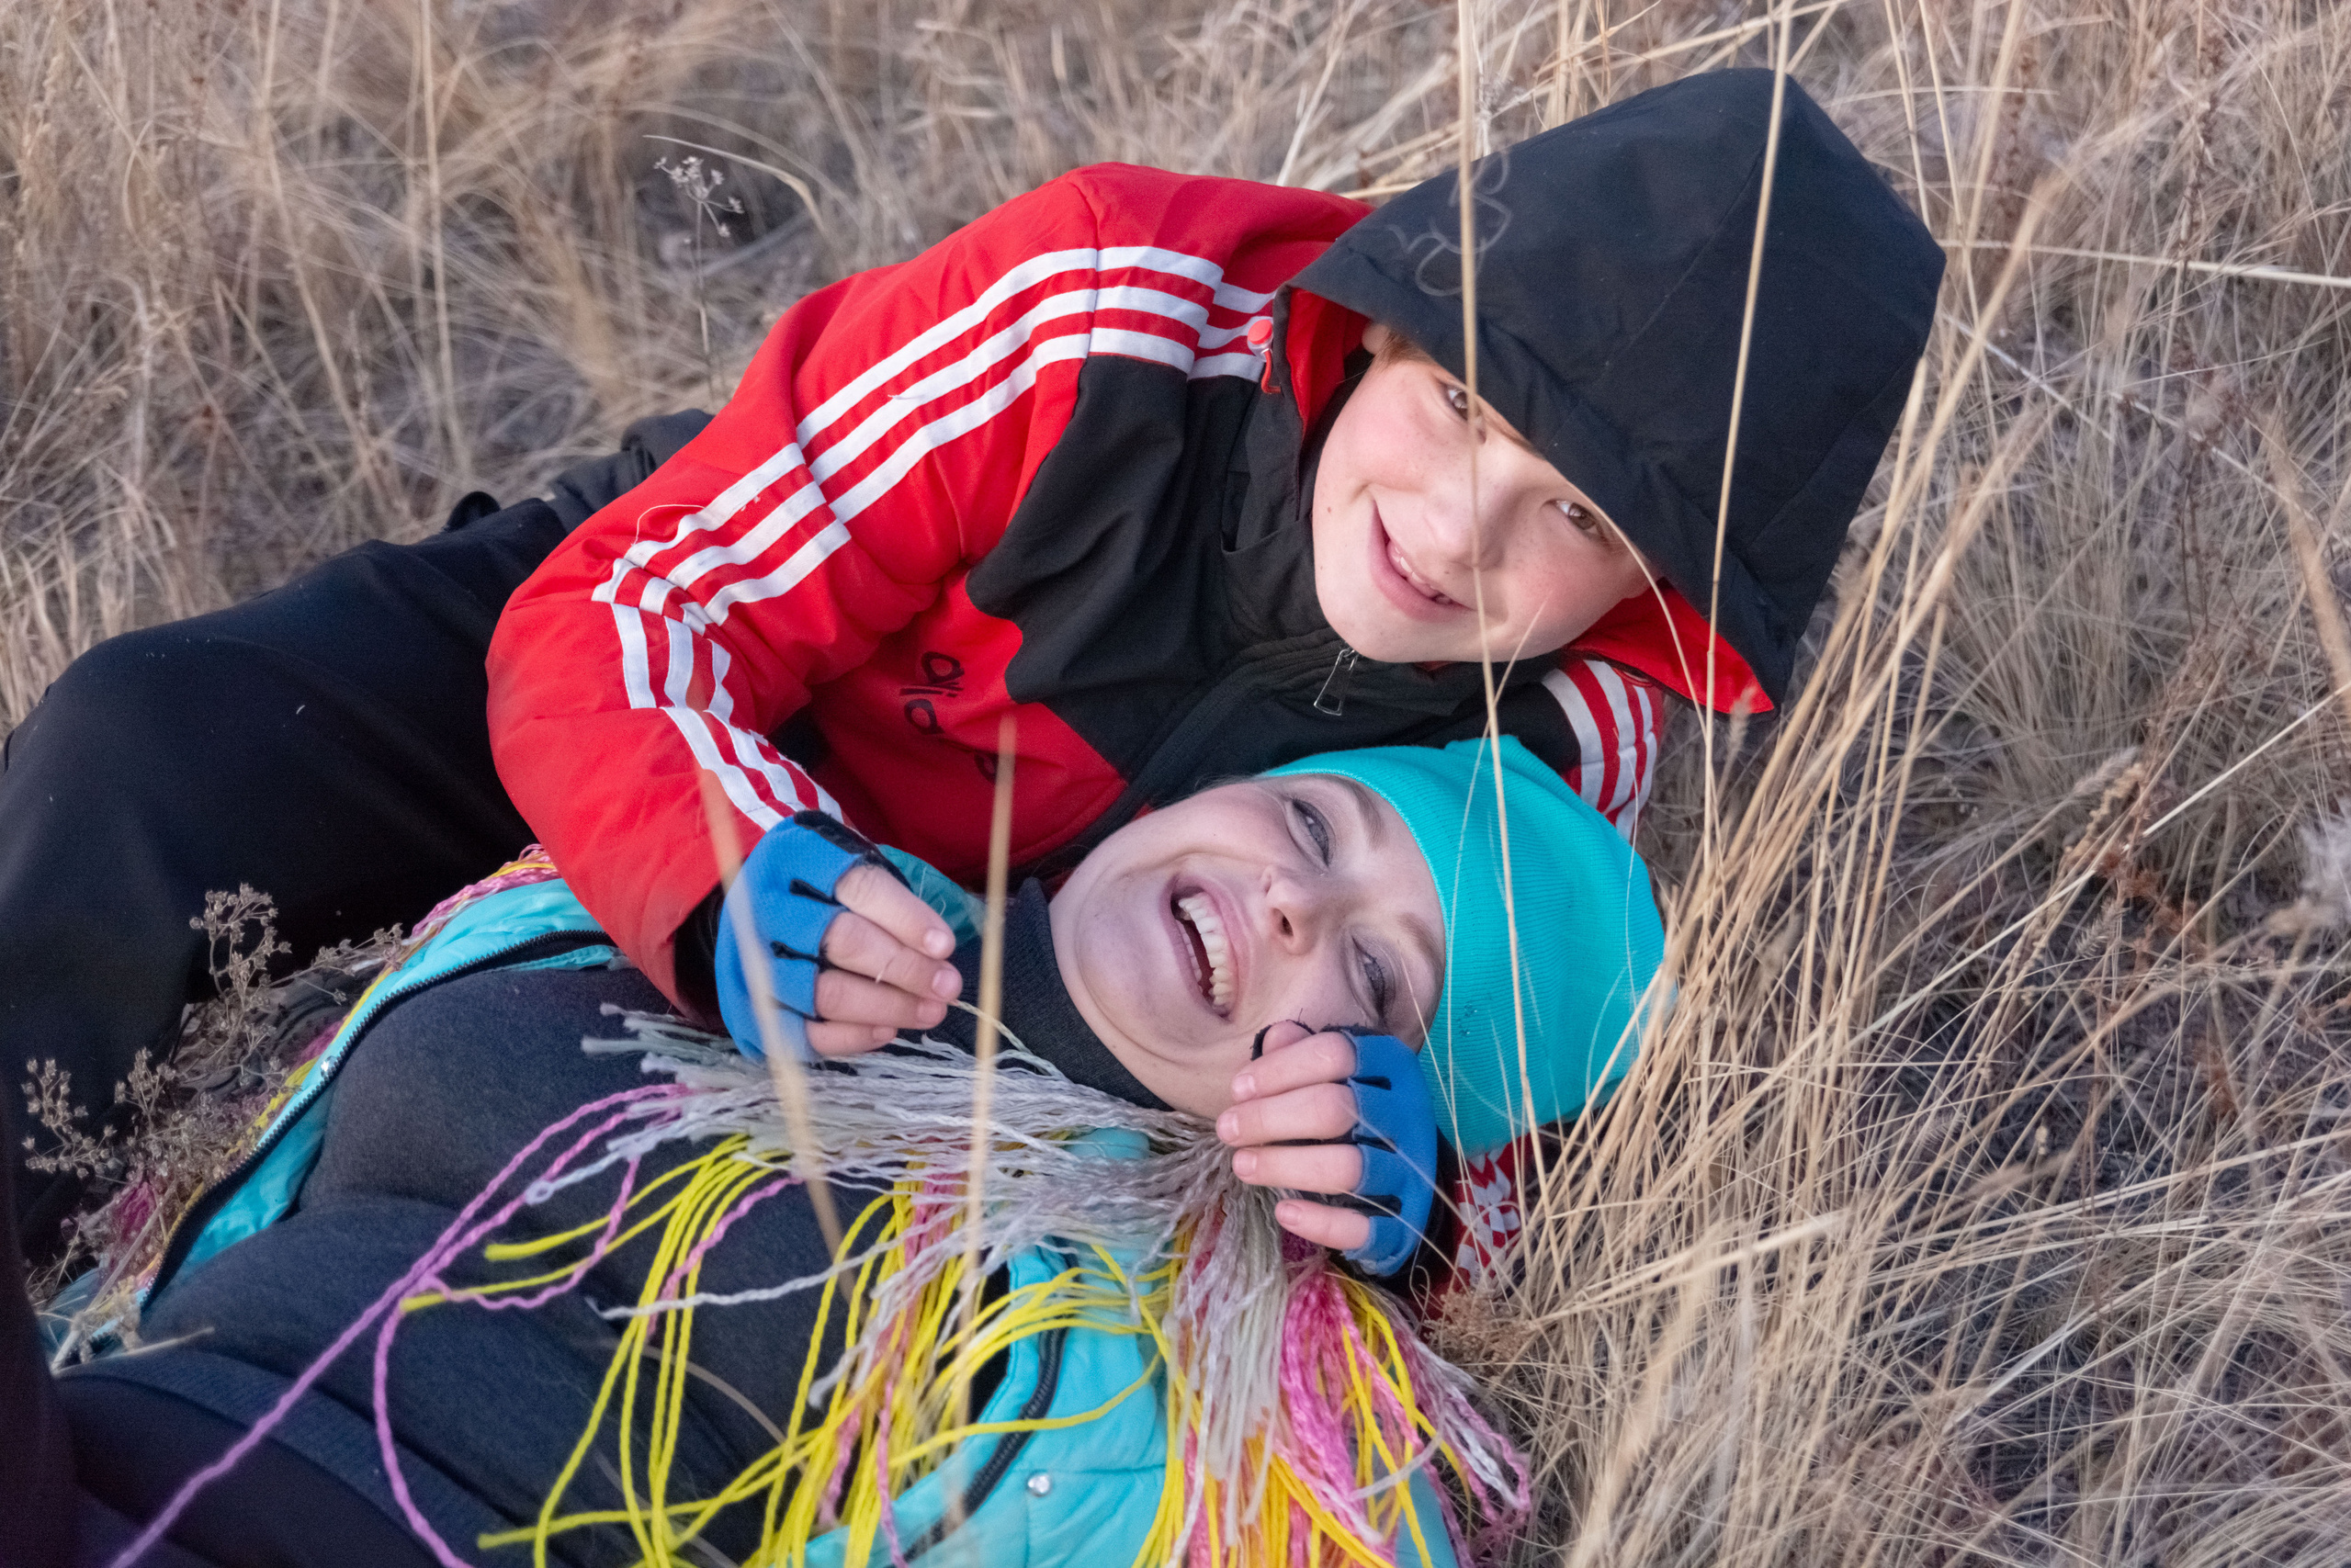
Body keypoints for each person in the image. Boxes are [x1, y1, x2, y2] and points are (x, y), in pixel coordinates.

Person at [0, 67, 1941, 1265]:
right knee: (152, 745)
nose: (1455, 532)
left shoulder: (1568, 725)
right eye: (1460, 403)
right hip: (692, 659)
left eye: (1577, 515)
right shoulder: (1102, 306)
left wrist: (1411, 1189)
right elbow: (637, 609)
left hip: (999, 964)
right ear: (1383, 320)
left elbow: (1521, 1092)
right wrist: (722, 863)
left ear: (1655, 586)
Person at [5, 737, 1660, 1567]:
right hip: (90, 1434)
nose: (1295, 897)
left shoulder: (1216, 1377)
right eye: (1311, 823)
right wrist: (691, 886)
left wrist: (1415, 1257)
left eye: (1377, 977)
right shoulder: (749, 877)